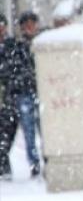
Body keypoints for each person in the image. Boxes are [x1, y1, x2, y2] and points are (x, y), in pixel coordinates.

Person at [5, 11, 42, 177]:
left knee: (44, 130)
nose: (29, 28)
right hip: (25, 93)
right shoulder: (16, 46)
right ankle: (34, 163)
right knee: (29, 132)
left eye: (31, 24)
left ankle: (45, 160)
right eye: (26, 25)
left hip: (40, 92)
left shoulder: (41, 44)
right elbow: (12, 69)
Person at [0, 13, 18, 180]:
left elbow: (15, 67)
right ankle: (3, 163)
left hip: (9, 95)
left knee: (9, 129)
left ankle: (3, 158)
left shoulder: (12, 45)